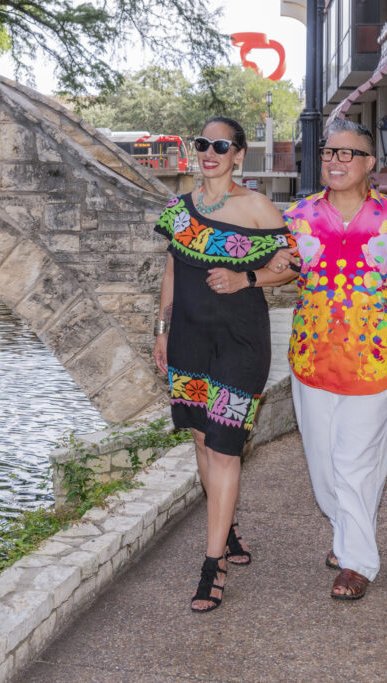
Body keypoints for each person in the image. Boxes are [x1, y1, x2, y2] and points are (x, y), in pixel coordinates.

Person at [281, 119, 387, 601]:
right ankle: (347, 529)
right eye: (329, 153)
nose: (335, 161)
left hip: (377, 359)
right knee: (324, 468)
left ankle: (357, 562)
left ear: (371, 163)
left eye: (348, 154)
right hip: (312, 357)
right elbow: (280, 269)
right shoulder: (297, 216)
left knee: (356, 465)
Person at [152, 116, 298, 612]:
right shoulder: (179, 210)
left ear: (238, 153)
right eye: (203, 144)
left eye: (221, 146)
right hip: (189, 340)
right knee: (200, 437)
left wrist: (247, 279)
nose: (209, 152)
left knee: (224, 446)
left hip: (241, 342)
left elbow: (292, 266)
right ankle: (227, 525)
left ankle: (211, 566)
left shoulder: (256, 207)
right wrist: (162, 332)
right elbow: (172, 268)